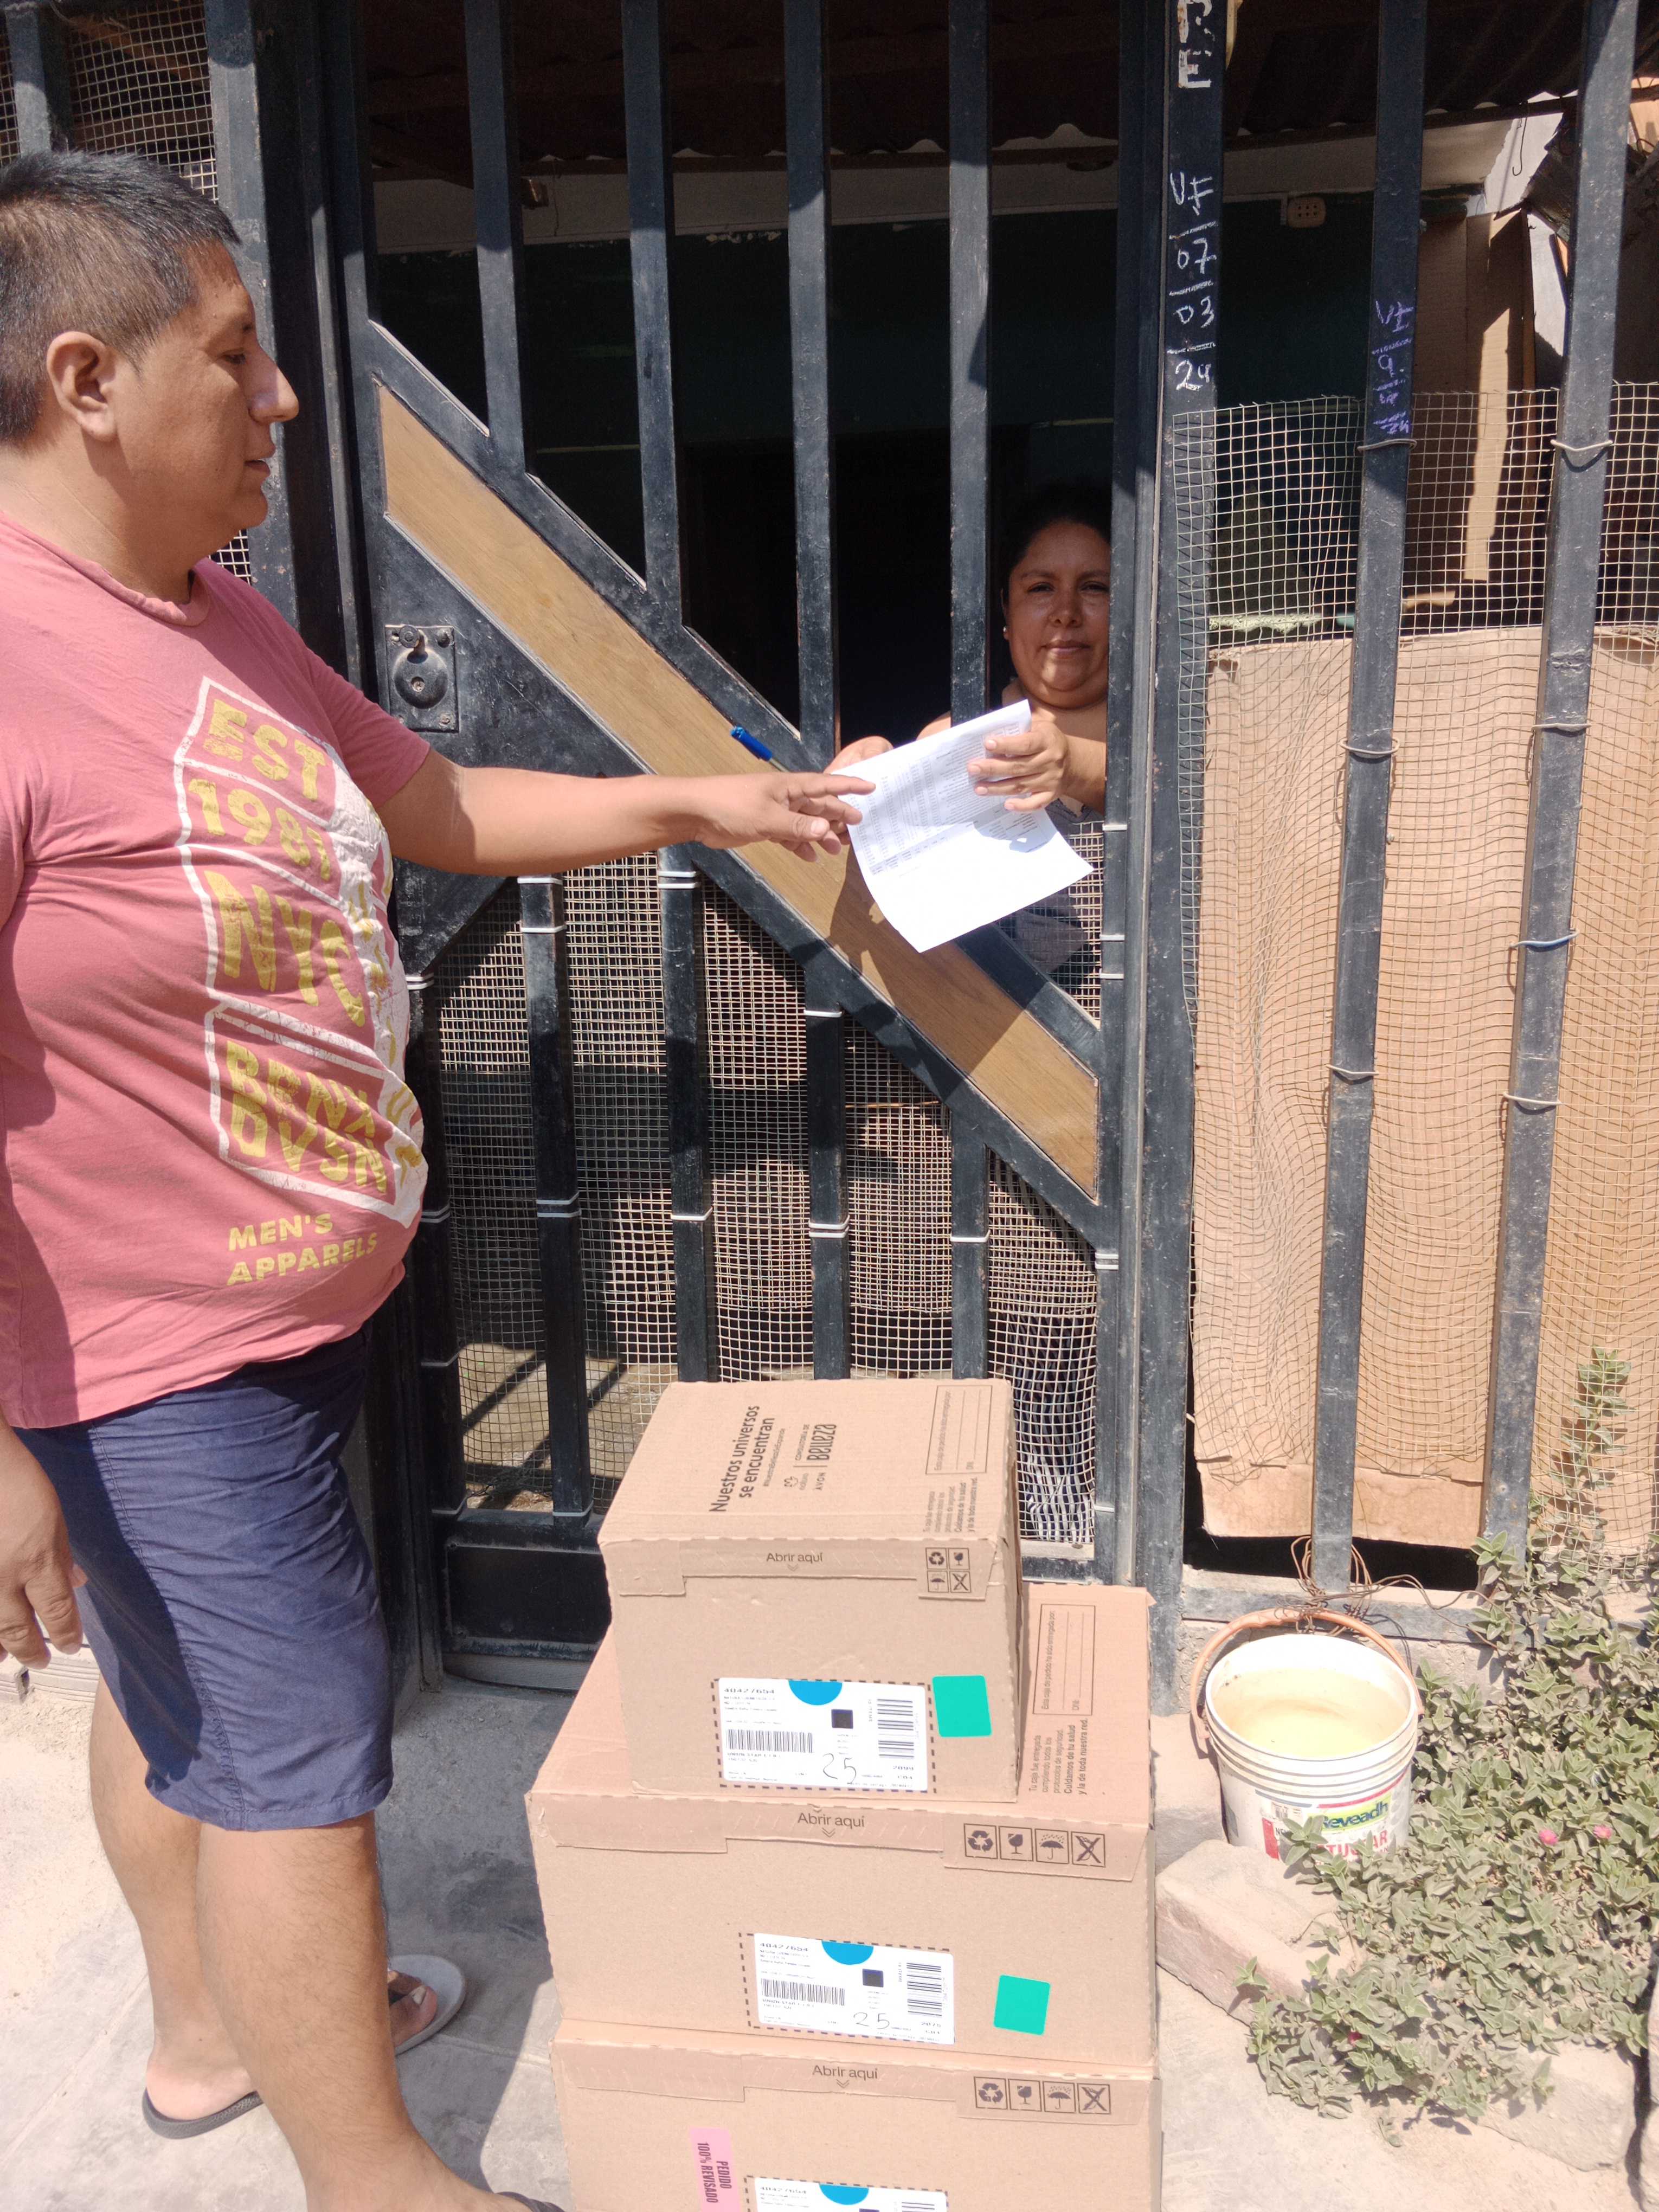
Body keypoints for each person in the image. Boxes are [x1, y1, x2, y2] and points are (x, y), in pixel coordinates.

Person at [0, 151, 870, 2212]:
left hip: (274, 1303)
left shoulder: (205, 616)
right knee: (299, 1761)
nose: (283, 398)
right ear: (88, 380)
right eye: (238, 355)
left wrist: (717, 800)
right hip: (153, 1354)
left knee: (189, 1699)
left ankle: (219, 2031)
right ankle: (375, 2172)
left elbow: (442, 800)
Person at [834, 482, 1111, 980]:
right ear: (1006, 612)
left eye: (1094, 587)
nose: (1066, 612)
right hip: (977, 1020)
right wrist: (872, 782)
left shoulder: (1178, 729)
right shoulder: (953, 737)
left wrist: (1072, 764)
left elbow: (1171, 799)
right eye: (1041, 588)